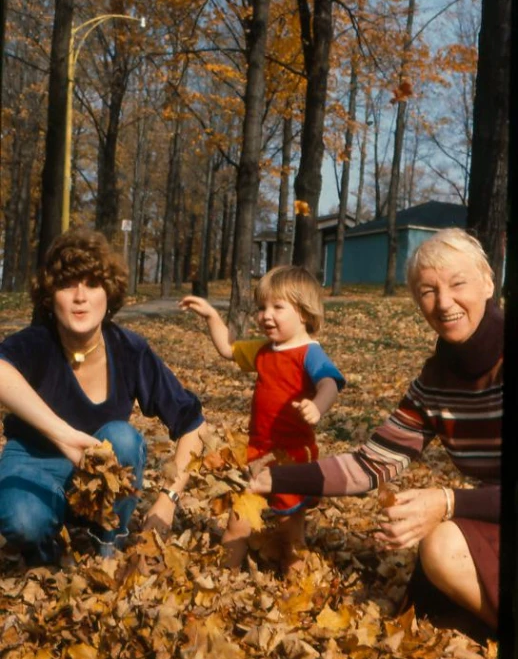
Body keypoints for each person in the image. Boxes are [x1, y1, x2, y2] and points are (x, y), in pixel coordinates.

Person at [250, 229, 502, 636]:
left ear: (488, 281)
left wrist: (447, 501)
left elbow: (451, 504)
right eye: (427, 291)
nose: (444, 303)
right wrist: (275, 477)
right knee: (431, 606)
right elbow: (369, 465)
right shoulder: (435, 380)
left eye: (458, 284)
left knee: (442, 547)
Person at [0, 228, 205, 565]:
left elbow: (192, 424)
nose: (80, 297)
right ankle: (43, 545)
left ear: (109, 294)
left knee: (122, 438)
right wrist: (63, 436)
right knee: (21, 520)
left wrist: (167, 499)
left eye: (93, 284)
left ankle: (107, 543)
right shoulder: (37, 343)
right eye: (67, 285)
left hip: (100, 477)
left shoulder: (130, 350)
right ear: (51, 297)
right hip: (33, 462)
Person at [180, 265, 345, 571]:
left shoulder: (309, 353)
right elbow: (228, 349)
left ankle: (297, 585)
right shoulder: (264, 350)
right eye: (261, 308)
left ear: (304, 314)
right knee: (238, 521)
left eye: (277, 307)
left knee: (289, 528)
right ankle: (225, 579)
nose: (266, 315)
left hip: (292, 457)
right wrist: (211, 316)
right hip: (257, 452)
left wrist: (318, 406)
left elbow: (329, 383)